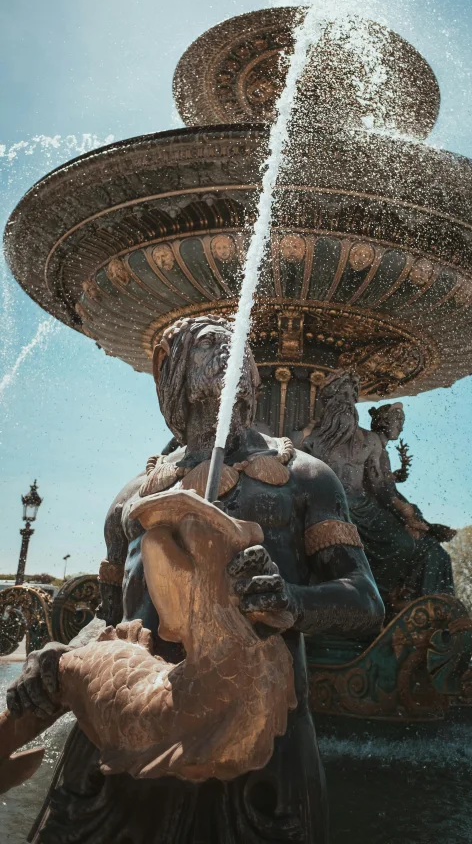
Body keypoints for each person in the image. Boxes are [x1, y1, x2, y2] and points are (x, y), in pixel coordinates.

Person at [8, 316, 383, 844]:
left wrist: (291, 601)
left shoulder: (305, 476)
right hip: (126, 735)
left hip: (257, 740)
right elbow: (110, 622)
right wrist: (58, 658)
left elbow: (365, 599)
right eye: (209, 344)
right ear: (176, 376)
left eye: (240, 346)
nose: (234, 352)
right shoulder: (132, 497)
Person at [299, 371, 455, 613]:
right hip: (328, 503)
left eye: (352, 396)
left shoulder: (369, 440)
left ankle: (376, 595)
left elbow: (380, 486)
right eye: (342, 395)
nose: (348, 402)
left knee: (402, 543)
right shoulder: (310, 437)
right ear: (328, 399)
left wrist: (405, 509)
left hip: (362, 506)